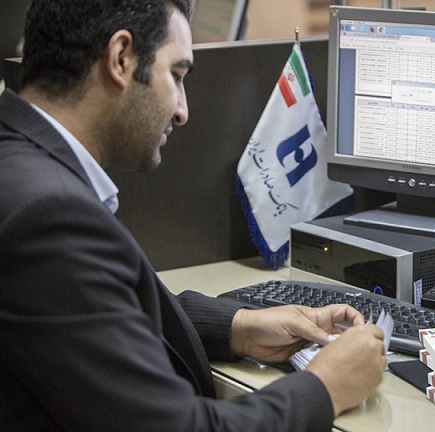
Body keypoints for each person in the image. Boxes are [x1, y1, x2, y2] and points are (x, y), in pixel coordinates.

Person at [0, 1, 386, 431]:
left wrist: (240, 327)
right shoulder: (46, 213)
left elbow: (97, 317)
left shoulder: (20, 163)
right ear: (121, 58)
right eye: (177, 75)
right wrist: (326, 387)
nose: (183, 110)